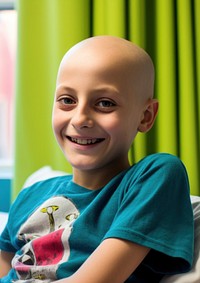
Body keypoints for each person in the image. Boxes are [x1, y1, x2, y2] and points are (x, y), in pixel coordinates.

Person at [0, 35, 194, 283]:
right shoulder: (31, 194)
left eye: (104, 103)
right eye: (67, 100)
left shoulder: (155, 176)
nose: (80, 119)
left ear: (145, 116)